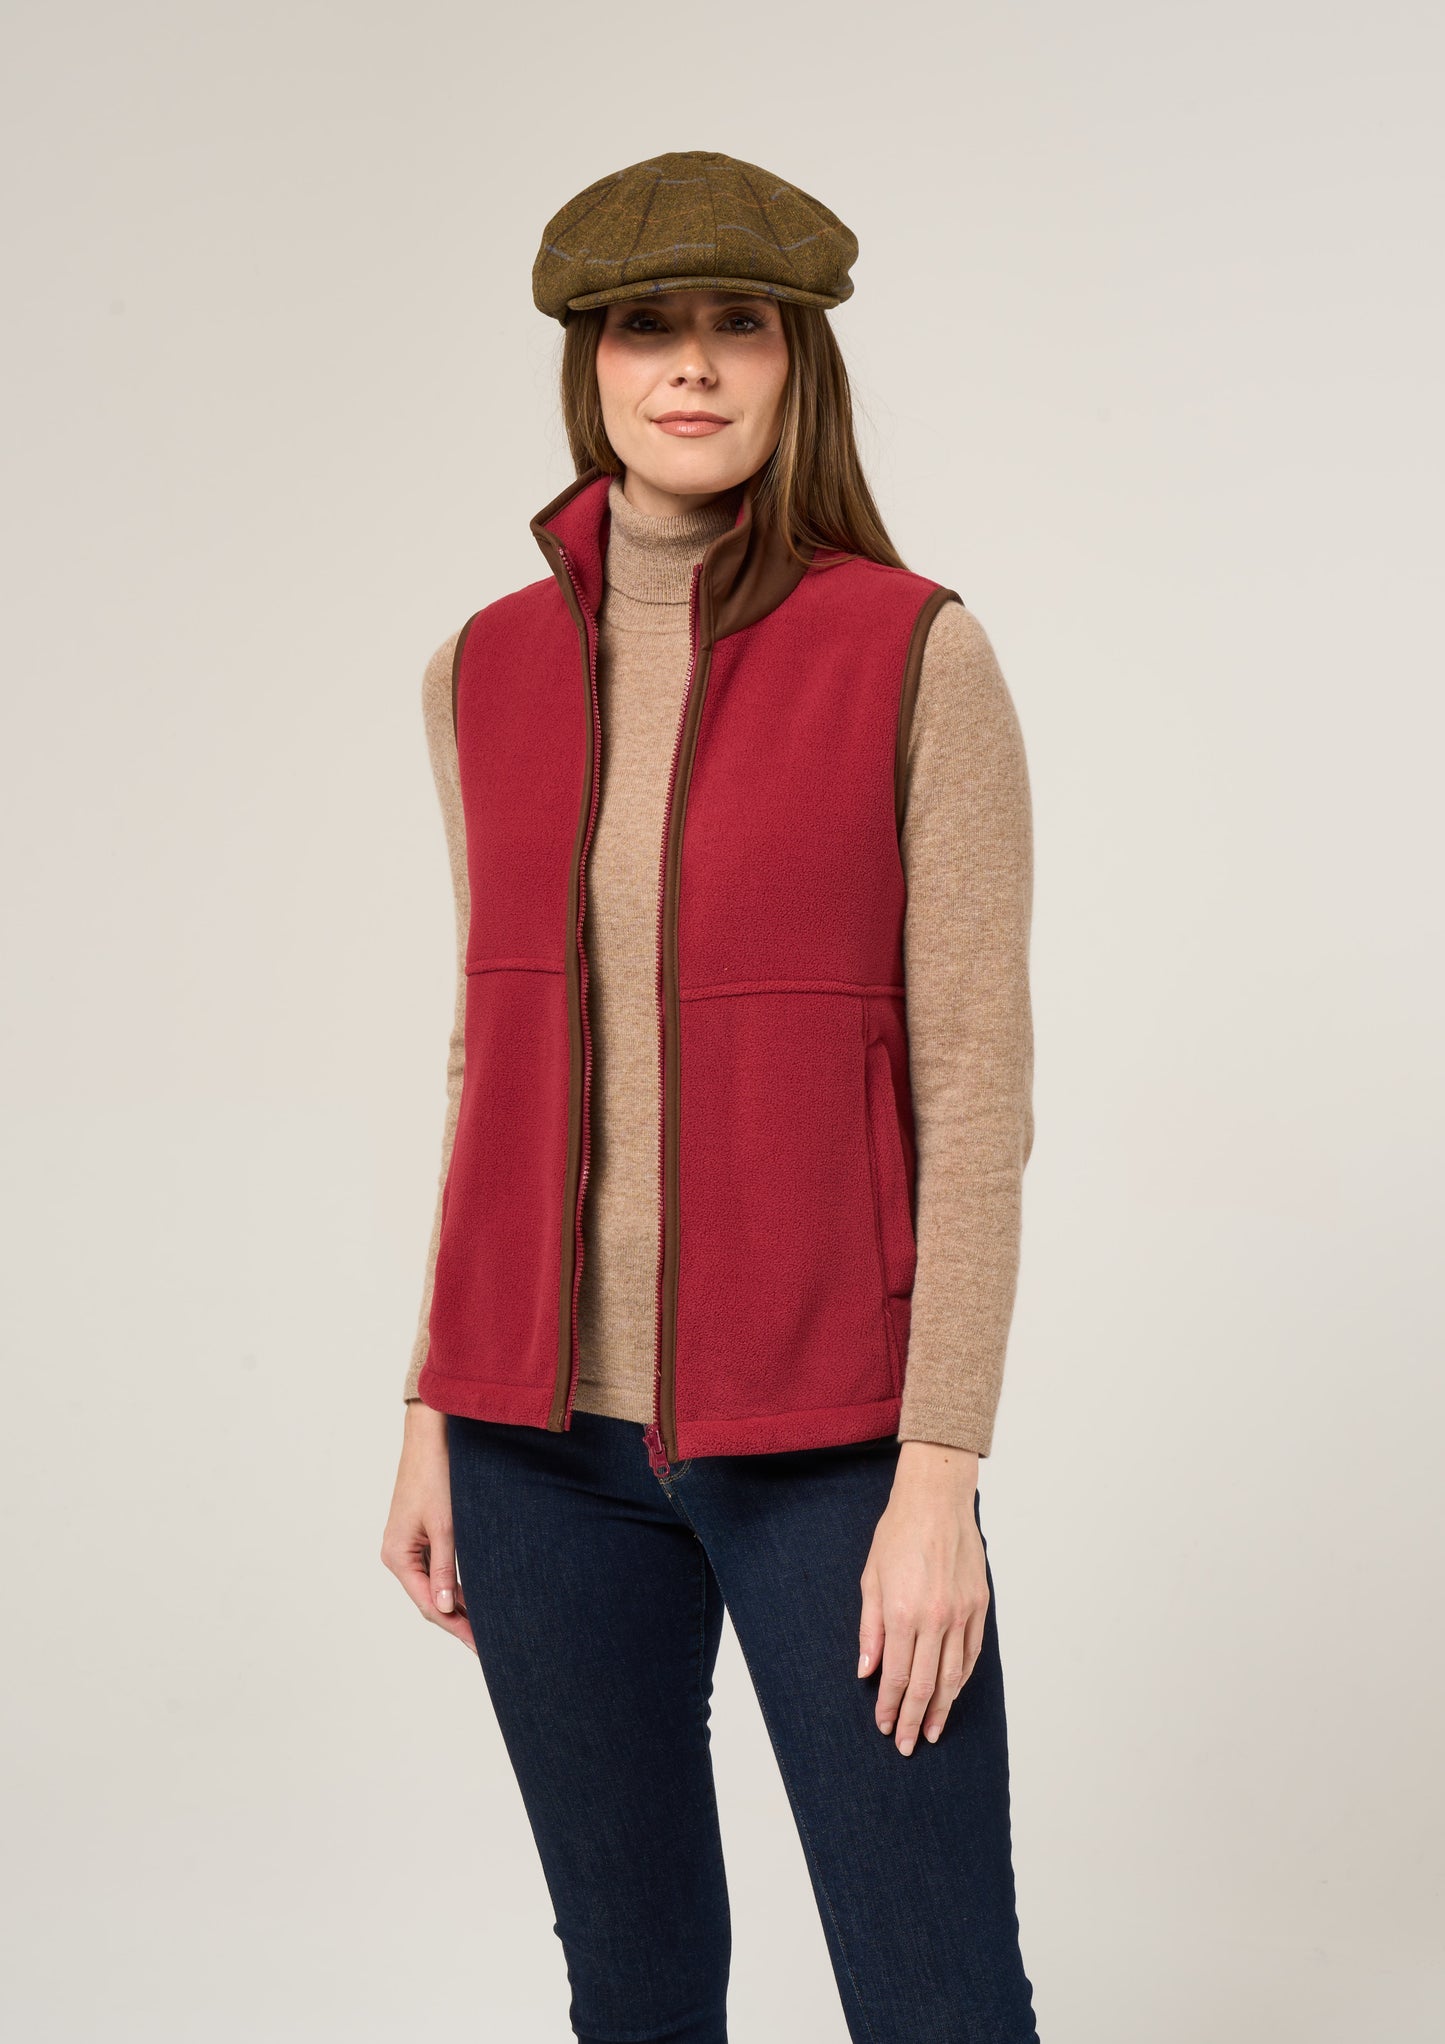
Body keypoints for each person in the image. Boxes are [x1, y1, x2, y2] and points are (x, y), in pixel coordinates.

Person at [382, 148, 1041, 2044]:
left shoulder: (910, 651)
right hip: (534, 1448)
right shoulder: (481, 672)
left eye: (734, 325)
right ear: (586, 363)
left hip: (830, 1443)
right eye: (642, 328)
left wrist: (939, 1479)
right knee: (635, 1989)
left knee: (936, 1998)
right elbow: (489, 1051)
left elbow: (975, 1081)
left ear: (794, 360)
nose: (687, 366)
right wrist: (432, 1403)